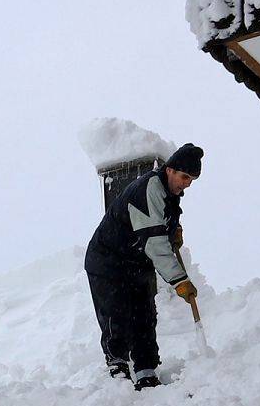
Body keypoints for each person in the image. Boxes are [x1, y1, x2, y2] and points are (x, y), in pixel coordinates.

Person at [84, 143, 203, 390]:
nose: (187, 184)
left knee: (144, 313)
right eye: (184, 176)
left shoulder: (169, 195)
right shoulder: (149, 188)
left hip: (136, 261)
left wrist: (173, 232)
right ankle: (117, 369)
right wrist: (180, 280)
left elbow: (159, 231)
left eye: (191, 179)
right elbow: (154, 243)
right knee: (115, 312)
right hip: (108, 260)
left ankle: (146, 371)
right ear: (170, 170)